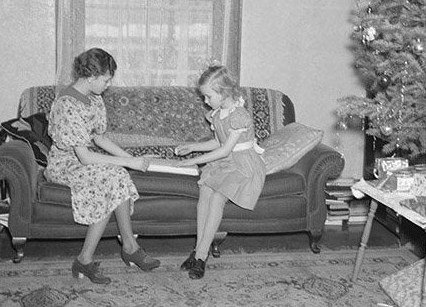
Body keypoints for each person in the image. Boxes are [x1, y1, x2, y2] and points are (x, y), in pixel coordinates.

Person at [46, 47, 160, 284]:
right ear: (91, 77)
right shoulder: (67, 104)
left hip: (82, 159)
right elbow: (85, 157)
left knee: (117, 175)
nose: (109, 84)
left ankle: (127, 247)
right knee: (112, 178)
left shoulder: (94, 99)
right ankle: (90, 258)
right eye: (106, 79)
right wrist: (129, 162)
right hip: (65, 164)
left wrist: (133, 160)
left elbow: (100, 138)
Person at [174, 64, 266, 279]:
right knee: (204, 193)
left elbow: (226, 149)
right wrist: (193, 146)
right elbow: (218, 142)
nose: (205, 102)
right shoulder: (217, 114)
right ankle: (197, 251)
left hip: (244, 165)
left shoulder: (239, 115)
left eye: (208, 96)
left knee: (217, 198)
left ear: (224, 92)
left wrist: (191, 162)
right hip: (226, 161)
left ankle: (201, 257)